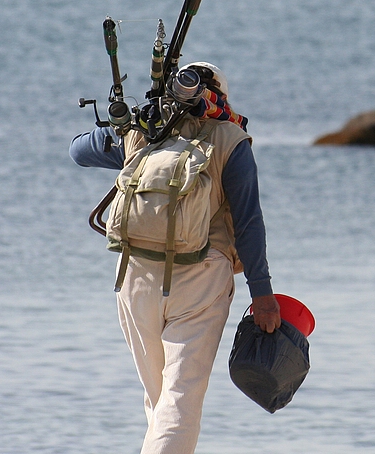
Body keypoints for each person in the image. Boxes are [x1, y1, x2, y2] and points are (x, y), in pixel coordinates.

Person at [69, 61, 280, 454]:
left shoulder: (146, 133)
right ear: (219, 98)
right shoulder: (230, 140)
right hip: (201, 279)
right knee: (179, 399)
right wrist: (262, 294)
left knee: (158, 398)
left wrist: (128, 123)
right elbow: (250, 223)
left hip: (133, 275)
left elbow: (78, 150)